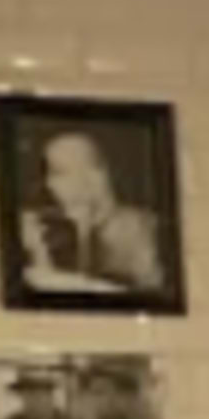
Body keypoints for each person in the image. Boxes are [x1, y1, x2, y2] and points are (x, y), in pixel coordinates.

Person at [15, 124, 165, 300]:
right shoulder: (65, 234)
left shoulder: (140, 228)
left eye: (59, 173)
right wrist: (38, 251)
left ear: (96, 176)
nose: (50, 184)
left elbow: (149, 300)